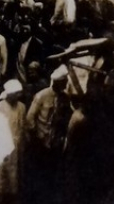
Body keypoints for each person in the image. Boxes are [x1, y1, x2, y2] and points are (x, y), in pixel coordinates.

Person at [25, 64, 72, 204]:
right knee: (39, 172)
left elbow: (65, 117)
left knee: (52, 172)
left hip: (55, 141)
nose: (64, 85)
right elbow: (30, 118)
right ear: (57, 82)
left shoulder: (65, 98)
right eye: (63, 83)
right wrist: (35, 136)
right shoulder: (42, 96)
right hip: (41, 140)